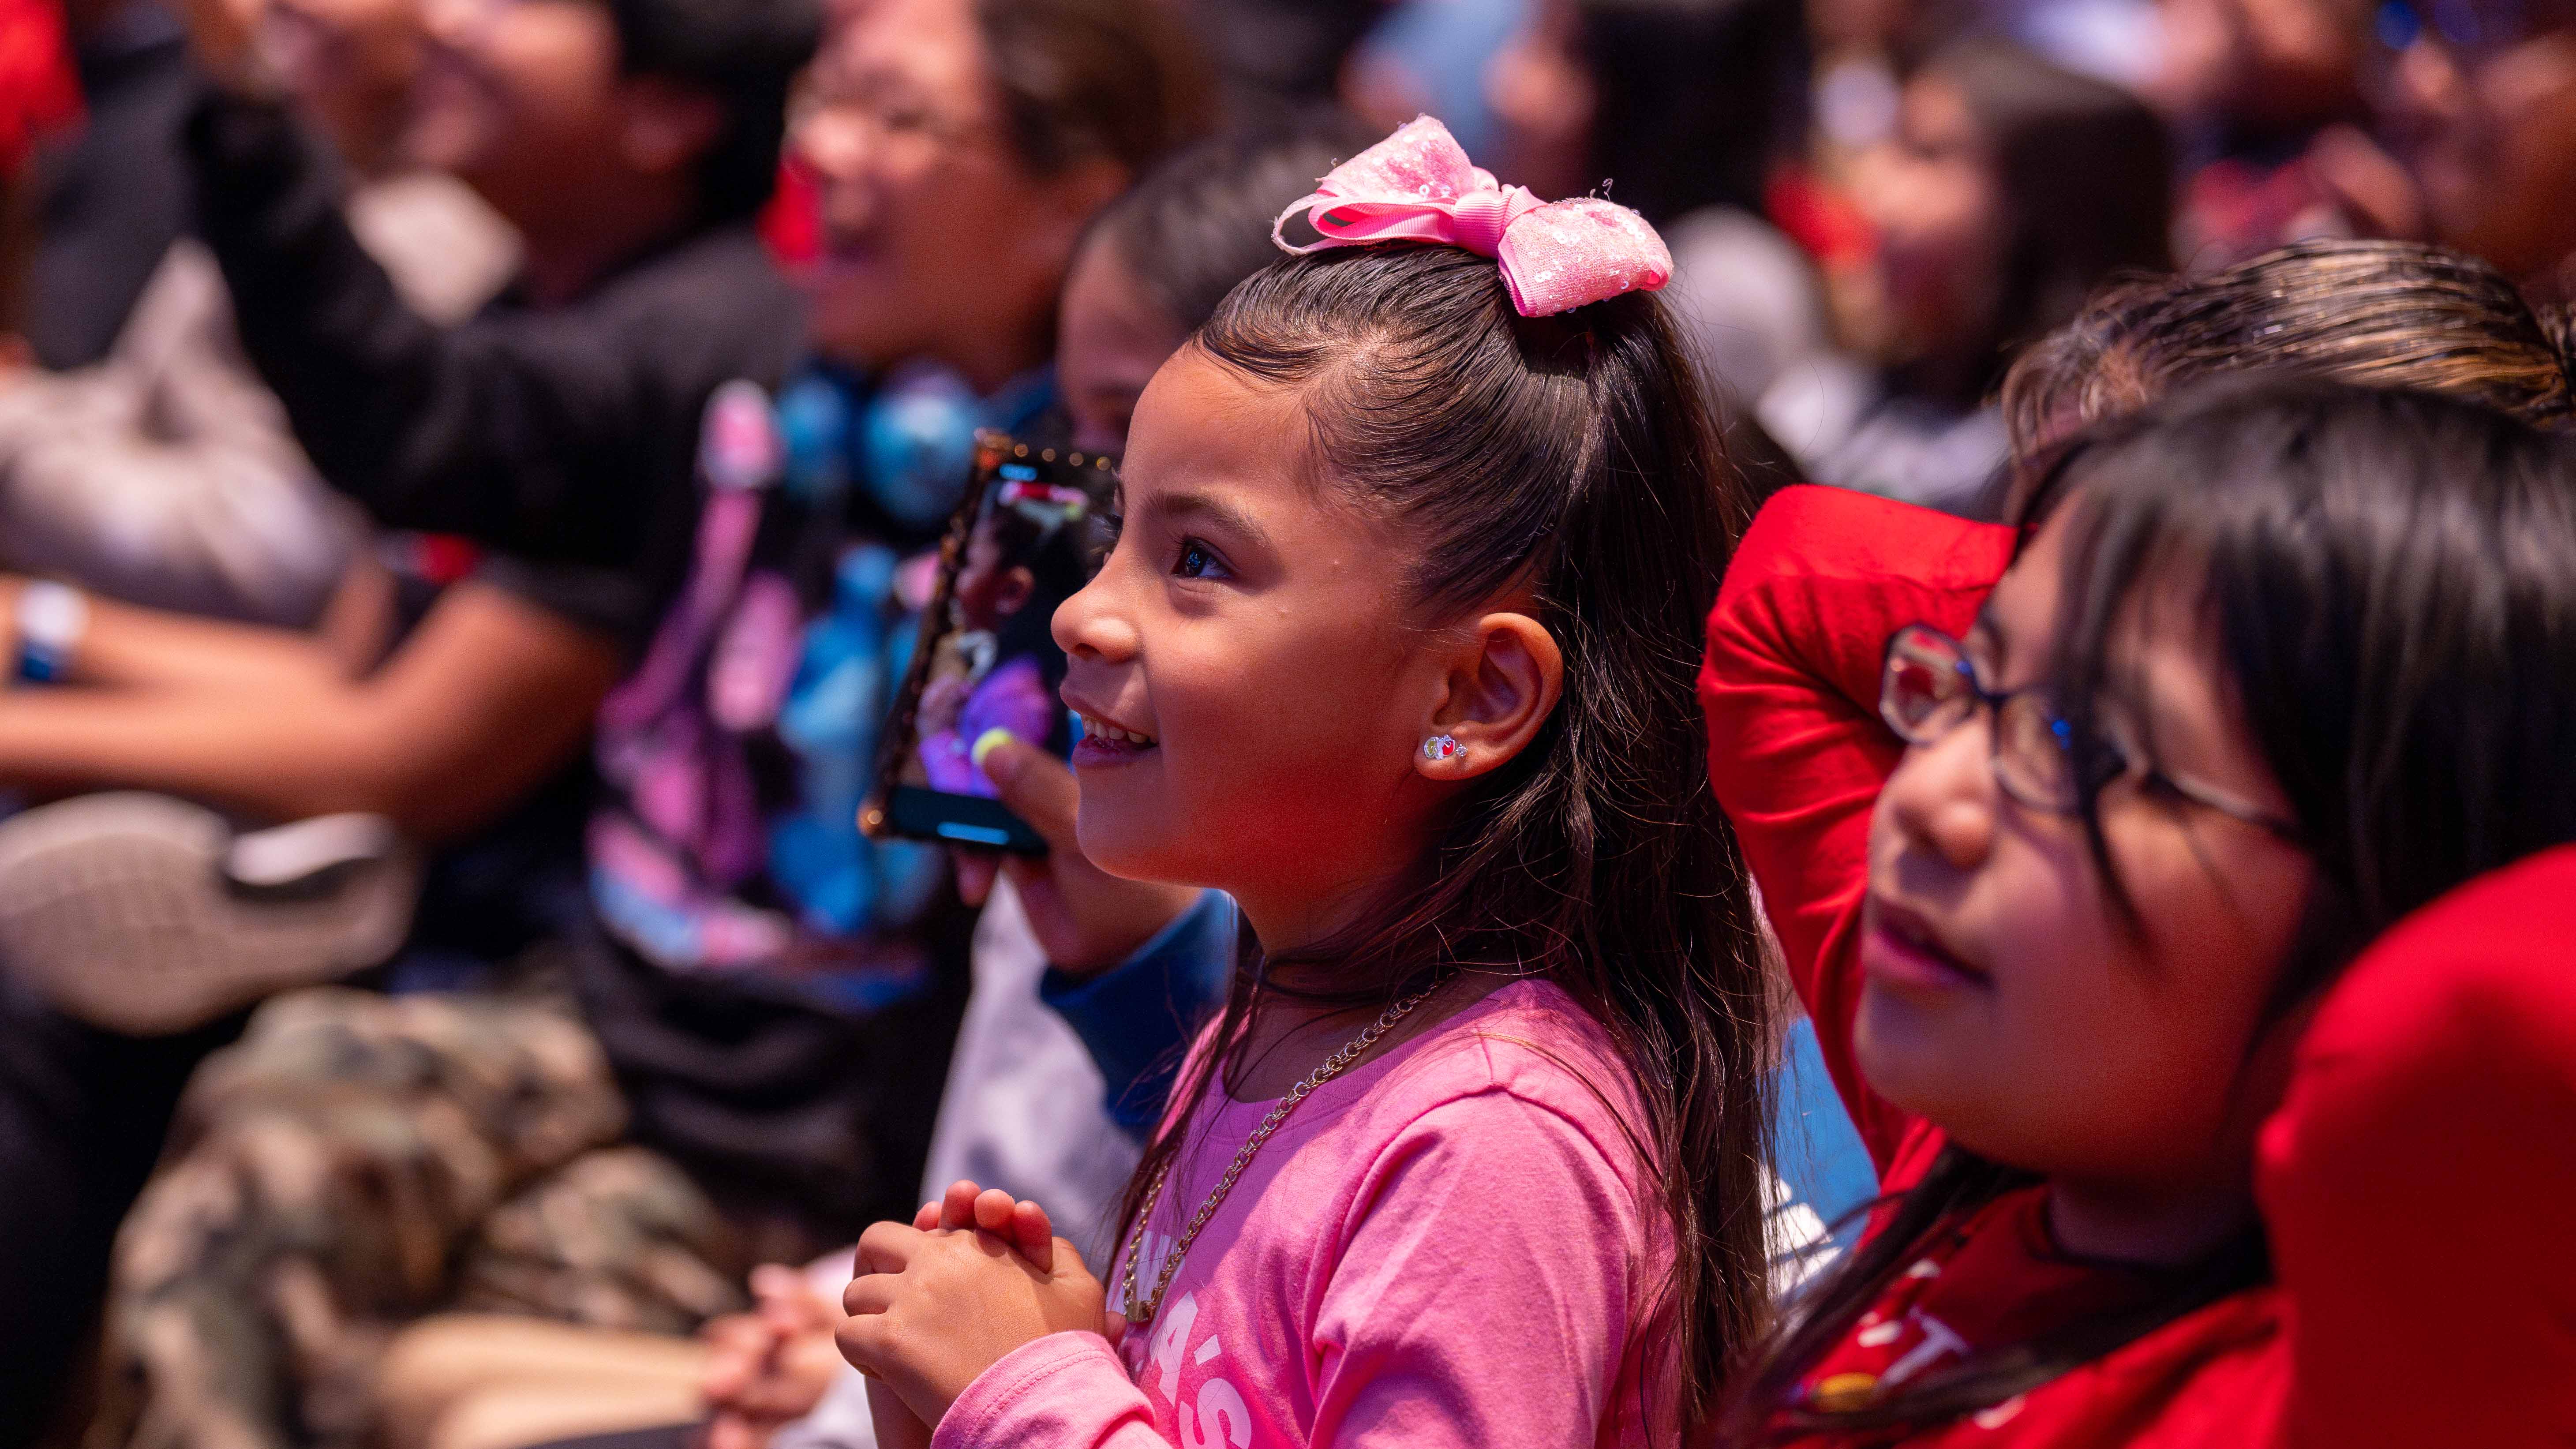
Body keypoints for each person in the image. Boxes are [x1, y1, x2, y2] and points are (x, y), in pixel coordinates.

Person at [834, 116, 1778, 1448]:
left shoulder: (1489, 1148)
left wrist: (1028, 1401)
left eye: (1199, 563)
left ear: (1470, 699)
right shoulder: (1281, 1025)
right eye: (1115, 539)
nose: (1082, 618)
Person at [1701, 379, 2576, 1440]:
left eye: (2092, 750)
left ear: (2396, 897)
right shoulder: (1986, 1144)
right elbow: (1785, 582)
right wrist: (2141, 544)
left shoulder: (2329, 1396)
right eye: (1969, 686)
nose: (1927, 798)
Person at [1766, 39, 2172, 517]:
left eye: (1927, 155)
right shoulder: (1840, 399)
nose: (1872, 192)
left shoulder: (2072, 467)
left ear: (2046, 205)